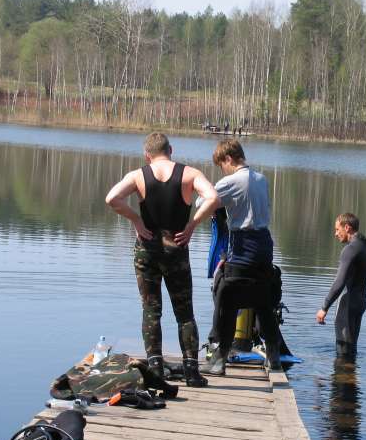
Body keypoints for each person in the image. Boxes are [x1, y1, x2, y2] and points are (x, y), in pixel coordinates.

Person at [106, 132, 220, 387]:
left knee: (151, 310)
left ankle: (155, 368)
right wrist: (192, 224)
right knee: (185, 313)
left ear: (147, 155)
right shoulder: (189, 174)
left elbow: (111, 198)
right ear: (171, 149)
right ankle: (191, 372)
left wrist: (136, 219)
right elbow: (213, 198)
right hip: (176, 248)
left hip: (146, 248)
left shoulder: (138, 175)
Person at [200, 139, 283, 376]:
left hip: (243, 244)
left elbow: (204, 201)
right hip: (264, 245)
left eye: (221, 165)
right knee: (263, 300)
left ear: (228, 159)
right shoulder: (261, 179)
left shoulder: (230, 181)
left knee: (226, 297)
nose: (221, 170)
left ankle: (219, 360)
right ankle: (274, 357)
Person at [316, 213, 366, 361]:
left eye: (337, 229)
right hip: (361, 301)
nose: (336, 234)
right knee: (352, 347)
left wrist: (324, 307)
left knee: (343, 348)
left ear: (347, 227)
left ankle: (342, 380)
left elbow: (339, 282)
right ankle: (351, 379)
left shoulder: (350, 249)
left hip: (348, 303)